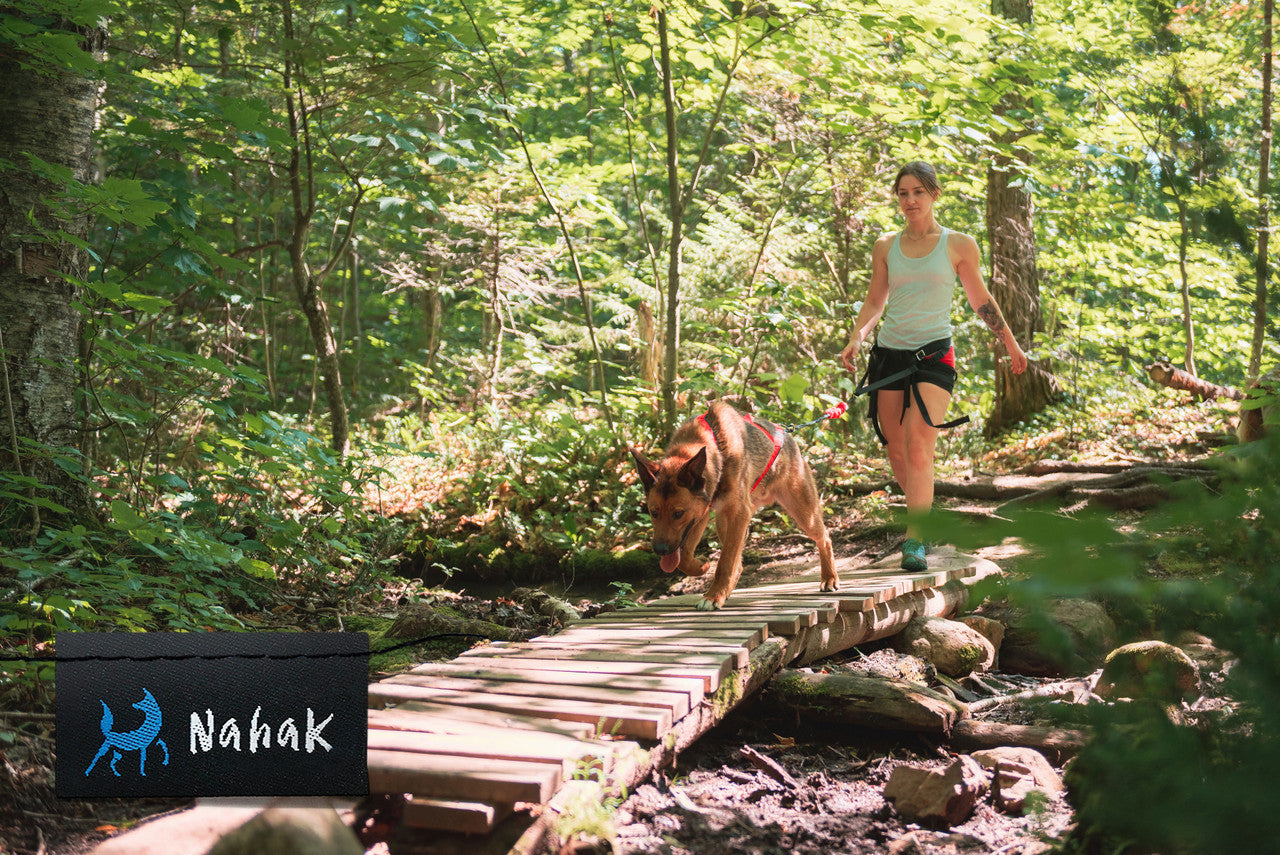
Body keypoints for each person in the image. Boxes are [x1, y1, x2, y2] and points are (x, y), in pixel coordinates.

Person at [840, 161, 1028, 570]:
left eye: (918, 193)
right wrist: (858, 335)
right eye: (903, 193)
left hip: (934, 356)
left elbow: (982, 300)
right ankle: (921, 519)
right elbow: (876, 301)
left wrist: (1010, 344)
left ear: (934, 195)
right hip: (889, 355)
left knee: (920, 443)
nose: (910, 201)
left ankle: (915, 540)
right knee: (896, 450)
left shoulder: (958, 244)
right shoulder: (885, 246)